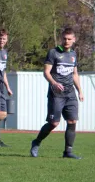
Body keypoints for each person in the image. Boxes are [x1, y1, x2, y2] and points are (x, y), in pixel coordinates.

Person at [30, 28, 84, 159]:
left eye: (69, 39)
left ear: (73, 40)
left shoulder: (73, 55)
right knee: (54, 123)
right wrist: (54, 83)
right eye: (64, 38)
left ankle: (68, 152)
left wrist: (80, 91)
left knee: (72, 121)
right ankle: (36, 142)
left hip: (70, 94)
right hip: (56, 94)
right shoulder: (53, 53)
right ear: (61, 38)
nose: (67, 41)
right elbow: (46, 72)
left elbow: (74, 74)